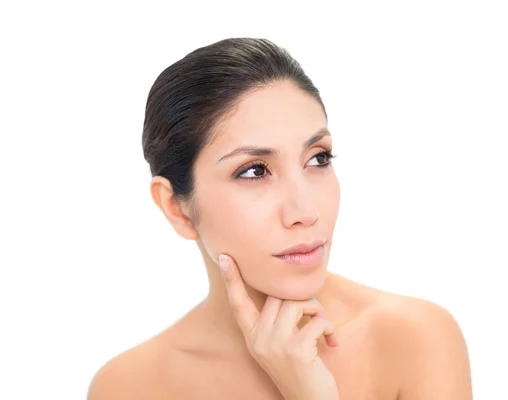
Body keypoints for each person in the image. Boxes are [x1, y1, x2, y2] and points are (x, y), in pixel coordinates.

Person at [87, 37, 473, 399]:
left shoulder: (414, 339)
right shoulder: (129, 386)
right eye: (254, 170)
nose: (306, 212)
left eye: (318, 158)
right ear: (176, 206)